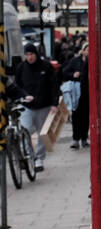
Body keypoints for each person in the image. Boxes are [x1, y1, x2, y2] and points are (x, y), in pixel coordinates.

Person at [13, 41, 58, 171]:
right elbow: (17, 85)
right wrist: (20, 98)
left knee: (42, 134)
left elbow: (54, 85)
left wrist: (55, 103)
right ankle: (29, 156)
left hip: (44, 105)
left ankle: (39, 158)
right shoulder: (21, 68)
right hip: (26, 106)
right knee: (25, 131)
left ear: (36, 54)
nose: (30, 57)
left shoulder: (46, 66)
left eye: (31, 54)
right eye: (27, 54)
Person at [61, 39, 90, 150]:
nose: (88, 52)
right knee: (76, 117)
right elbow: (64, 72)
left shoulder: (91, 61)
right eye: (87, 50)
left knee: (86, 117)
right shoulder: (75, 61)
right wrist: (73, 74)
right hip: (76, 93)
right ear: (82, 51)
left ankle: (84, 138)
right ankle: (75, 139)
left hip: (87, 93)